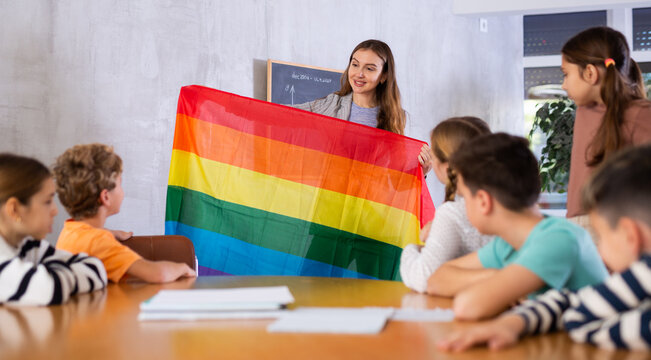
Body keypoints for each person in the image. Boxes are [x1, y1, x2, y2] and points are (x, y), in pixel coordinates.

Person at [437, 144, 651, 351]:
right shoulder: (638, 283)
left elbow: (580, 318)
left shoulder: (561, 239)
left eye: (602, 236)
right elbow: (572, 300)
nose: (600, 251)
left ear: (630, 235)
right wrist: (512, 323)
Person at [426, 133, 608, 320]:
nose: (463, 204)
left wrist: (494, 280)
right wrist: (494, 276)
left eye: (464, 196)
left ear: (483, 201)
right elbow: (436, 280)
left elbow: (467, 307)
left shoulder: (558, 239)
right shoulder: (508, 243)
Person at [54, 143, 196, 283]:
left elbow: (88, 237)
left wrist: (110, 232)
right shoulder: (100, 243)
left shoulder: (70, 231)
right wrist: (183, 268)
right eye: (120, 184)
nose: (123, 191)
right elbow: (157, 274)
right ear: (105, 197)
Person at [294, 39, 432, 174]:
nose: (359, 74)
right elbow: (287, 114)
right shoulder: (330, 105)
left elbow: (398, 180)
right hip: (331, 194)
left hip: (373, 196)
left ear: (383, 76)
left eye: (369, 69)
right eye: (355, 65)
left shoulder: (398, 119)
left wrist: (422, 172)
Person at [562, 26, 651, 221]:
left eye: (566, 74)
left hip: (614, 222)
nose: (564, 85)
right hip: (579, 223)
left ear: (590, 73)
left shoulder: (640, 113)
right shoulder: (584, 110)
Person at [400, 117, 493, 293]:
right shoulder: (500, 203)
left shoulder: (453, 213)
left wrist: (413, 248)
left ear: (446, 166)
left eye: (434, 157)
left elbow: (423, 278)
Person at [0, 153, 107, 305]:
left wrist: (50, 273)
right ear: (14, 210)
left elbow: (95, 267)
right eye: (47, 201)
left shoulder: (28, 245)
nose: (55, 210)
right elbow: (48, 289)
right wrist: (52, 275)